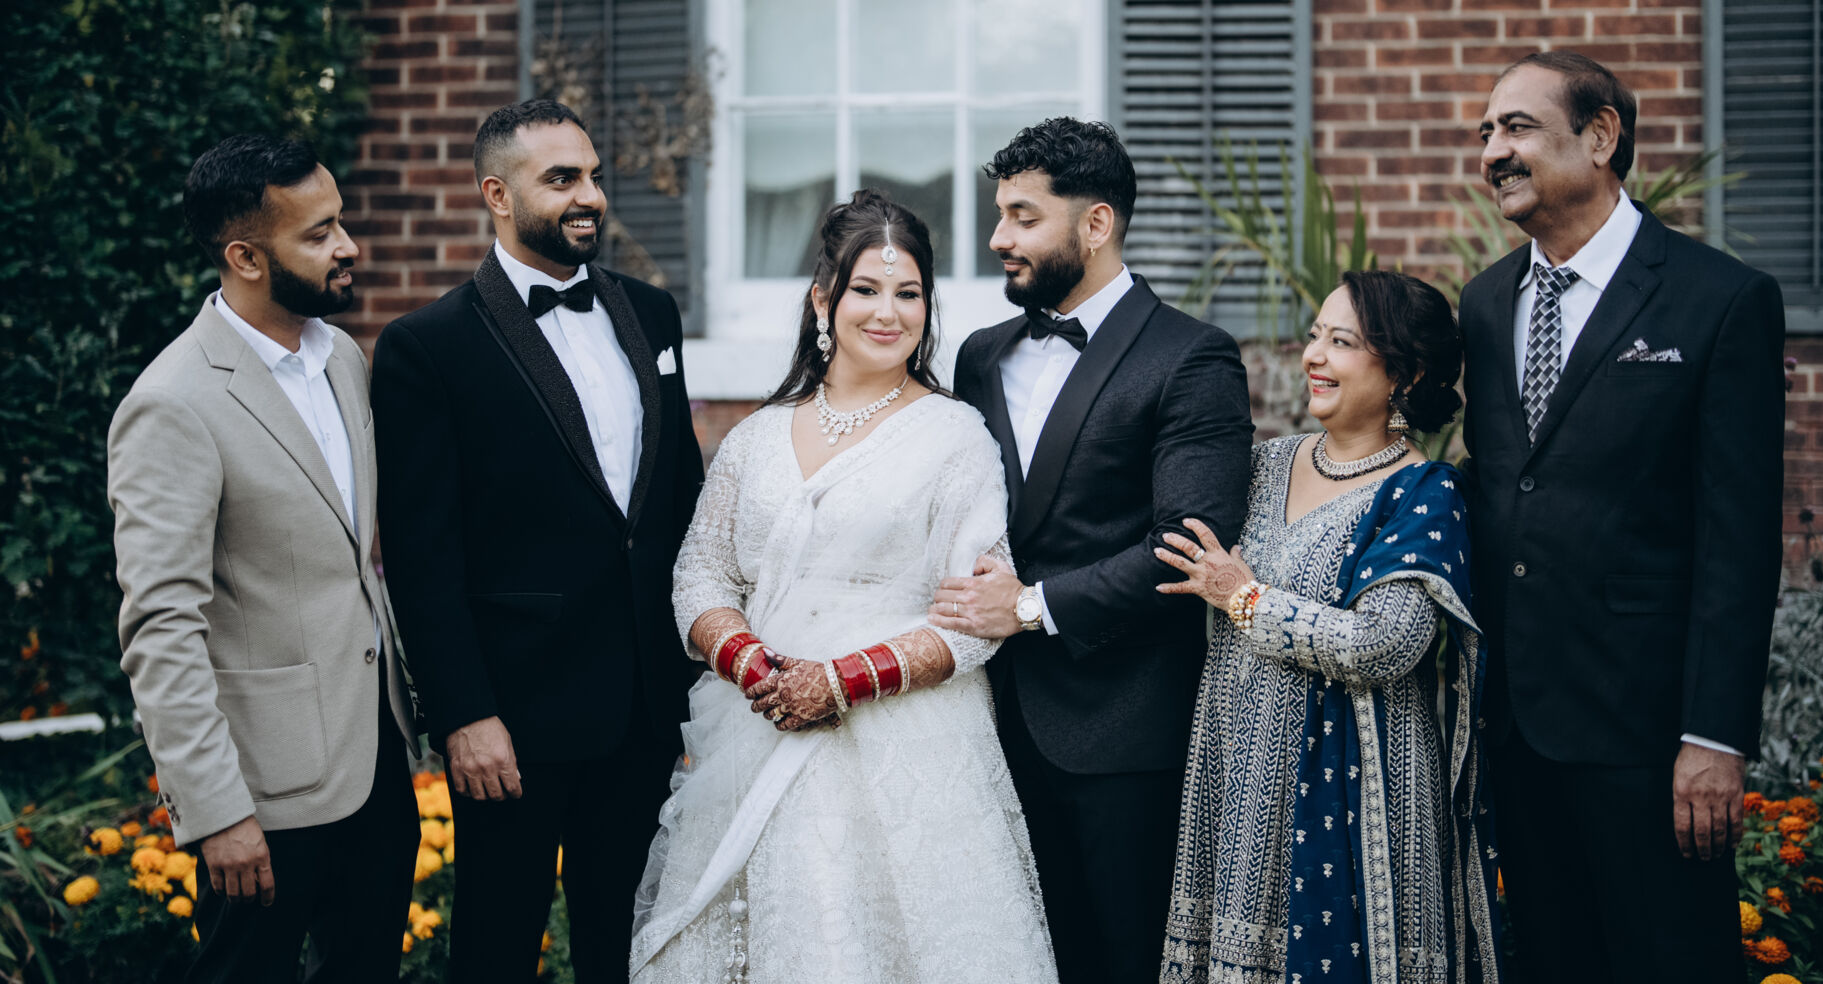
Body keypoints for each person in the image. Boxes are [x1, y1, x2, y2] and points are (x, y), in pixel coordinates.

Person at [631, 191, 1056, 984]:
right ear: (823, 300)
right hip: (759, 726)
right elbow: (700, 574)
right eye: (866, 289)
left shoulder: (956, 438)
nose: (888, 313)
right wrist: (761, 672)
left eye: (909, 293)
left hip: (905, 750)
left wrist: (839, 681)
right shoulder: (756, 437)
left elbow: (974, 618)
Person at [1460, 52, 1784, 981]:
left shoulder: (1719, 301)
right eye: (1486, 133)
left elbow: (1739, 541)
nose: (1492, 152)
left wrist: (1713, 738)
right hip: (1518, 732)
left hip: (1651, 738)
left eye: (1518, 127)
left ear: (1601, 136)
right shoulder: (1483, 304)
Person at [370, 100, 706, 984]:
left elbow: (677, 499)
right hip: (512, 719)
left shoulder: (652, 313)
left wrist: (693, 680)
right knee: (497, 945)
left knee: (628, 943)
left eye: (592, 174)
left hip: (642, 707)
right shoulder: (426, 347)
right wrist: (464, 714)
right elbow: (420, 556)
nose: (589, 195)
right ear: (497, 194)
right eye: (561, 179)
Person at [934, 118, 1254, 984]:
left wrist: (1028, 607)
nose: (999, 238)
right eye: (1000, 214)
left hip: (1123, 734)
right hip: (986, 725)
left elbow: (1187, 549)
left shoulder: (1191, 358)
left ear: (1097, 224)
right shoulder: (980, 357)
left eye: (1023, 216)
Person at [108, 135, 417, 982]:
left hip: (375, 762)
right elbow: (160, 628)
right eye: (318, 234)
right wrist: (216, 811)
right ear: (245, 257)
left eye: (340, 222)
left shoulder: (342, 358)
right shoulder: (173, 403)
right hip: (263, 794)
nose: (348, 246)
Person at [1153, 271, 1500, 984]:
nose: (1314, 354)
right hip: (1239, 768)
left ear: (1406, 373)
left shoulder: (1423, 493)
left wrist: (1244, 599)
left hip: (1354, 790)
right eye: (1315, 335)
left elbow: (1385, 643)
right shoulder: (1265, 464)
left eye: (1341, 342)